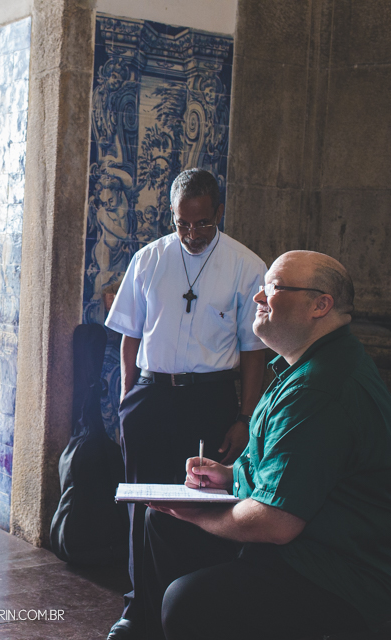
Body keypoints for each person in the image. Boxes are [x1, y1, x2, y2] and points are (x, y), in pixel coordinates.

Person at [141, 251, 391, 639]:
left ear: (320, 305)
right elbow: (289, 465)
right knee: (164, 523)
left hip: (338, 573)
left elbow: (275, 523)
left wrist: (195, 513)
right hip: (304, 543)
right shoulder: (304, 365)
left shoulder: (319, 387)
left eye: (273, 287)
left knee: (188, 601)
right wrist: (231, 475)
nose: (258, 297)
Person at [104, 168, 267, 640]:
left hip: (209, 399)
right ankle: (138, 610)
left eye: (202, 223)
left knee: (200, 503)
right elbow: (130, 337)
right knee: (143, 505)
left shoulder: (246, 265)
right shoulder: (148, 259)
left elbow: (253, 352)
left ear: (219, 212)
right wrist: (126, 399)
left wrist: (245, 416)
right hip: (150, 395)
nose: (192, 234)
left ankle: (189, 606)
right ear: (172, 216)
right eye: (182, 224)